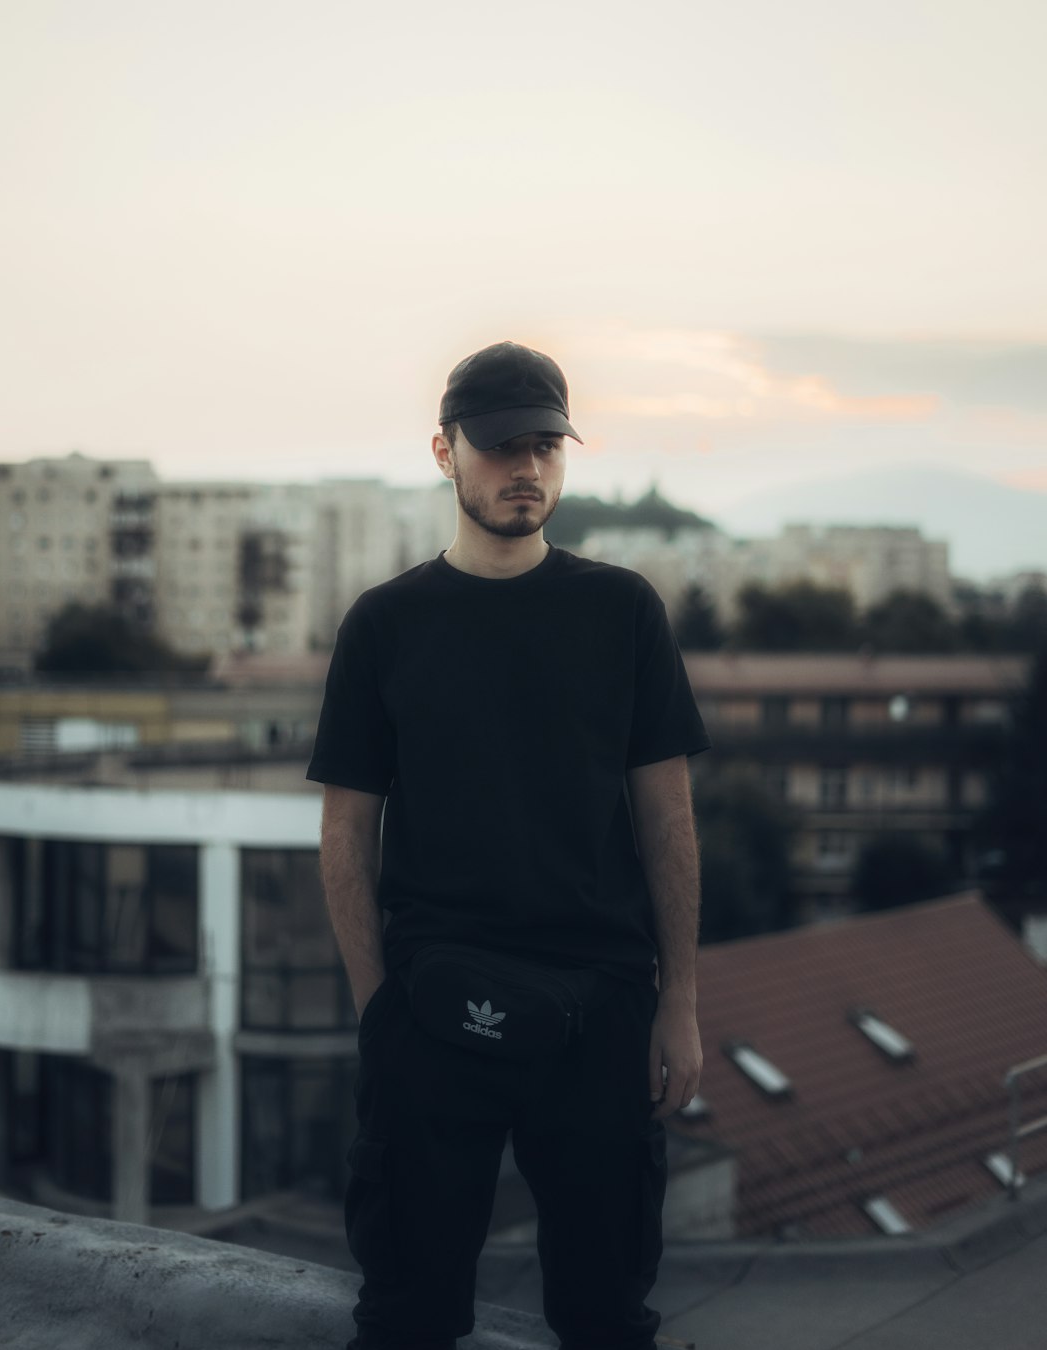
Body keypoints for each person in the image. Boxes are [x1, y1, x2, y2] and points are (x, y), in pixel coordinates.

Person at [307, 340, 710, 1350]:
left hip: (602, 1009)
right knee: (407, 1317)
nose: (527, 470)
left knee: (608, 1318)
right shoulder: (386, 626)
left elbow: (668, 818)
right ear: (444, 453)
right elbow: (347, 831)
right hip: (435, 1013)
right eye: (500, 449)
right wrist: (380, 1015)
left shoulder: (622, 611)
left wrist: (681, 1003)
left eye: (545, 447)